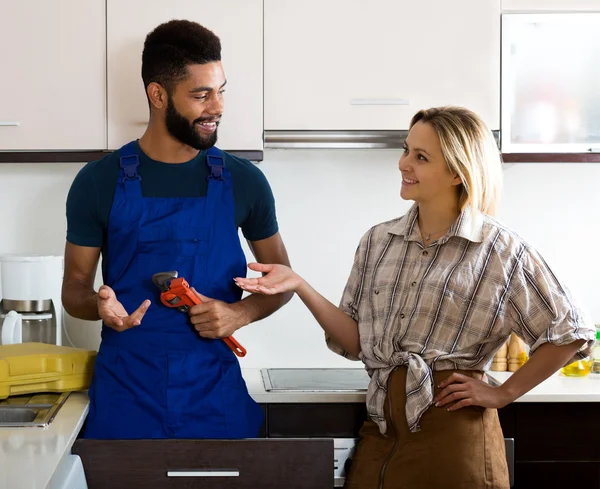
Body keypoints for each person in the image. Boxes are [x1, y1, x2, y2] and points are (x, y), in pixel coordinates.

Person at [234, 106, 596, 488]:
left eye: (421, 157)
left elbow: (572, 332)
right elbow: (358, 342)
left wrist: (503, 393)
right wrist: (299, 284)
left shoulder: (499, 249)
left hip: (454, 437)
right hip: (381, 432)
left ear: (458, 172)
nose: (404, 163)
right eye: (406, 150)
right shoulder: (378, 241)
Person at [62, 19, 292, 440]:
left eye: (221, 91)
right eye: (201, 95)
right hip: (125, 397)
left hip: (213, 393)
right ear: (158, 94)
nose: (217, 107)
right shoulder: (97, 182)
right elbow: (73, 288)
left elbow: (283, 282)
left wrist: (238, 314)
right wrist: (98, 305)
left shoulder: (244, 181)